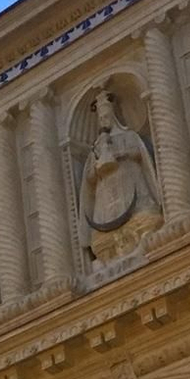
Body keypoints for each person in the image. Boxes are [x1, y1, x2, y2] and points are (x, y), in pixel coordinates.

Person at [78, 89, 164, 263]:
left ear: (114, 116)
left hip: (130, 184)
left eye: (107, 117)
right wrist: (97, 166)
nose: (104, 121)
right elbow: (89, 177)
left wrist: (119, 154)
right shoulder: (96, 149)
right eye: (101, 118)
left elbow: (138, 152)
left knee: (146, 217)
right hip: (106, 195)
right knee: (102, 237)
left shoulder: (129, 136)